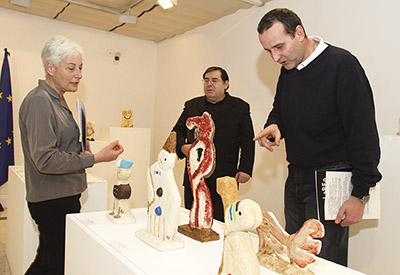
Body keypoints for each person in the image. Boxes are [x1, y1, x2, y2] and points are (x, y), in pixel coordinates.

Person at [254, 8, 381, 266]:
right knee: (295, 259)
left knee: (323, 263)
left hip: (330, 178)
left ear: (299, 33)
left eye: (279, 47)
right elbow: (280, 109)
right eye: (269, 51)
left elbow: (363, 131)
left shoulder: (342, 65)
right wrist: (275, 125)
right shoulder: (288, 70)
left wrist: (360, 194)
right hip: (296, 178)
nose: (275, 57)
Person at [19, 35, 124, 275]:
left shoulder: (57, 100)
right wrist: (95, 158)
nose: (79, 74)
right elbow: (45, 159)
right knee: (57, 265)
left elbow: (57, 147)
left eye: (81, 67)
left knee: (46, 260)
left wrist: (80, 150)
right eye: (71, 67)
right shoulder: (40, 101)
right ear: (50, 67)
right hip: (52, 200)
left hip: (60, 195)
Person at [172, 66, 255, 222]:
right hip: (194, 176)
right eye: (206, 80)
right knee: (193, 219)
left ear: (226, 84)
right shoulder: (192, 106)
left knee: (221, 221)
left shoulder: (239, 107)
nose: (209, 84)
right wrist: (183, 147)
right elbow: (176, 132)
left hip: (224, 175)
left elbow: (247, 140)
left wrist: (245, 169)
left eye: (215, 80)